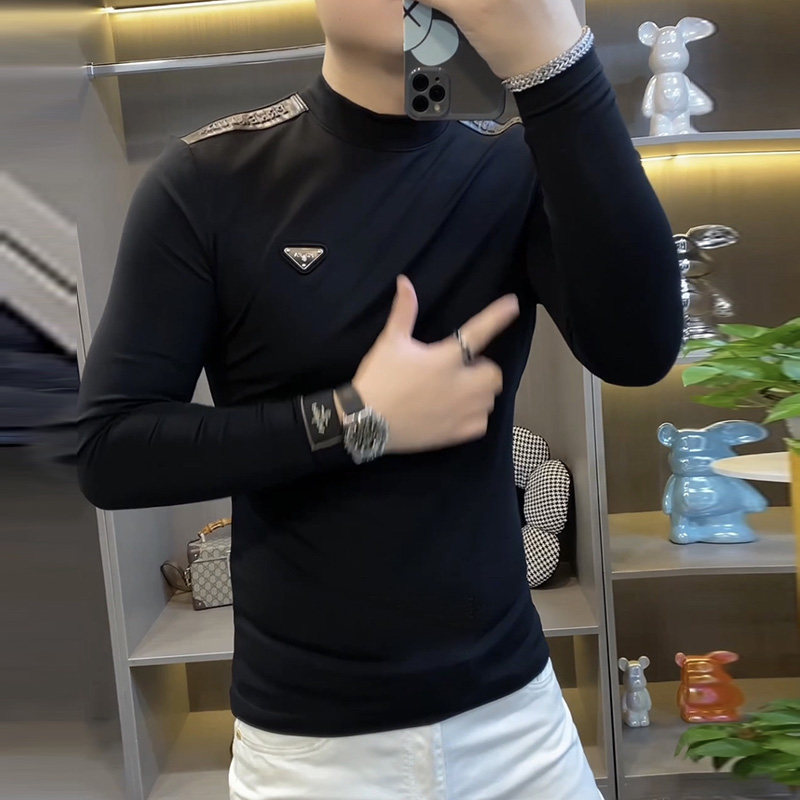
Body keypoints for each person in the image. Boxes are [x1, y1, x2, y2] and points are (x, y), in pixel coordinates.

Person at [75, 0, 684, 797]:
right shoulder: (209, 178)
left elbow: (639, 353)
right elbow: (110, 449)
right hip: (311, 752)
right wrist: (358, 421)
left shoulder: (513, 166)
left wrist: (556, 60)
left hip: (519, 724)